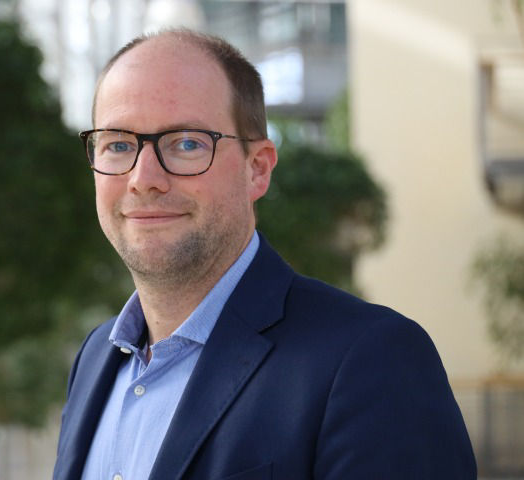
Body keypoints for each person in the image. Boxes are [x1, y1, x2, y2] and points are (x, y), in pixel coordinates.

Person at [52, 29, 476, 480]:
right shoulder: (95, 359)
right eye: (118, 145)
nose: (144, 179)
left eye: (187, 143)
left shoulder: (373, 361)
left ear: (257, 169)